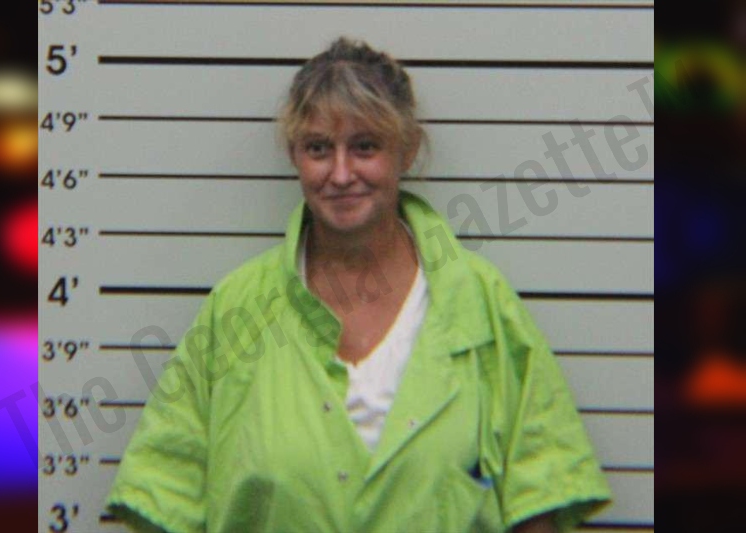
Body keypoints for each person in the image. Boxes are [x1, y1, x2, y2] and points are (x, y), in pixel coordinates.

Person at [106, 37, 612, 533]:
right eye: (319, 149)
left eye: (365, 146)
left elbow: (538, 500)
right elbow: (164, 496)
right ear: (294, 155)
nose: (341, 174)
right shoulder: (236, 309)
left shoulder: (481, 302)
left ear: (407, 150)